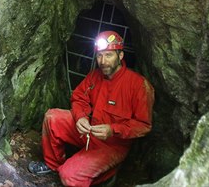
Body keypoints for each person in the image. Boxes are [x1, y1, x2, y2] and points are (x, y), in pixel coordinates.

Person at [28, 30, 155, 186]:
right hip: (90, 132)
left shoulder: (139, 86)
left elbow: (143, 125)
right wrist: (80, 117)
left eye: (109, 55)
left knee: (69, 175)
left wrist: (112, 129)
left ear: (120, 56)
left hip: (112, 145)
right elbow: (79, 97)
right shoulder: (95, 76)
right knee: (52, 117)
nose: (103, 61)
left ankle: (105, 174)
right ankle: (52, 164)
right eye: (100, 55)